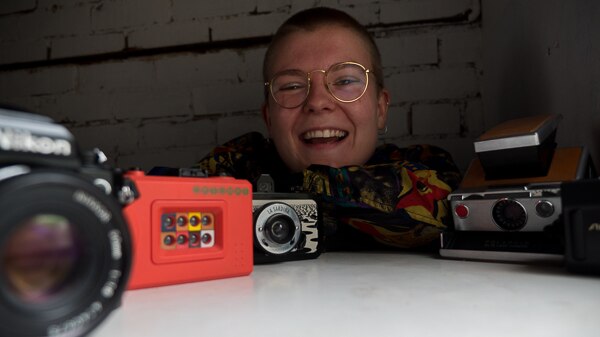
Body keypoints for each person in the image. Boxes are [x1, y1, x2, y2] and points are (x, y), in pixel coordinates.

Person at [194, 7, 461, 251]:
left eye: (344, 80)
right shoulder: (237, 165)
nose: (318, 102)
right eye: (292, 86)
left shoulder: (425, 168)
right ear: (269, 119)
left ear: (380, 109)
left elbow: (450, 210)